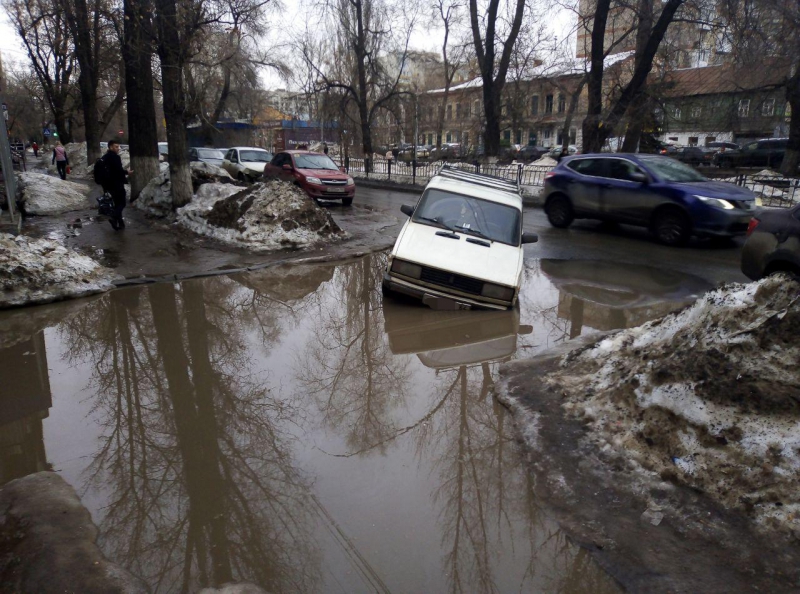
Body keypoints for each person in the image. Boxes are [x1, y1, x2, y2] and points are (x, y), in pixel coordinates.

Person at [100, 139, 133, 230]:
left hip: (108, 184)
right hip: (116, 183)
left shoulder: (105, 157)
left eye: (118, 146)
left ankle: (120, 223)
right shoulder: (115, 157)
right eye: (116, 146)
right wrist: (127, 172)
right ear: (111, 147)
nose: (118, 148)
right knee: (122, 203)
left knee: (117, 203)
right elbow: (118, 171)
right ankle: (114, 217)